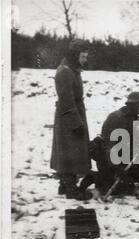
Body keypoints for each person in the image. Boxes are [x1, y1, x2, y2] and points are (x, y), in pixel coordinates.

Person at [81, 91, 139, 195]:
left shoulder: (135, 119)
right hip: (108, 160)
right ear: (132, 104)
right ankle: (94, 177)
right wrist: (117, 167)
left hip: (123, 157)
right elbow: (109, 146)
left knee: (133, 183)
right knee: (116, 190)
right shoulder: (115, 118)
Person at [50, 39, 92, 200]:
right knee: (69, 151)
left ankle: (64, 185)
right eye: (83, 56)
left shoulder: (72, 70)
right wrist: (76, 123)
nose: (84, 60)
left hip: (73, 114)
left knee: (72, 150)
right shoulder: (65, 72)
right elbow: (66, 100)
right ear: (75, 55)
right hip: (68, 117)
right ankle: (70, 189)